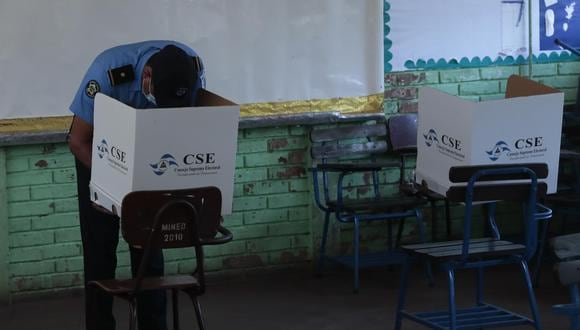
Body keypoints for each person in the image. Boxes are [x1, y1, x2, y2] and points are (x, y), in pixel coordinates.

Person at [67, 40, 205, 330]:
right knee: (100, 250)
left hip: (151, 152)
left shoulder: (191, 68)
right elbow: (78, 141)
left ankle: (153, 326)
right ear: (147, 78)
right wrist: (114, 183)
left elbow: (189, 130)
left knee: (149, 246)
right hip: (100, 152)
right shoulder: (108, 72)